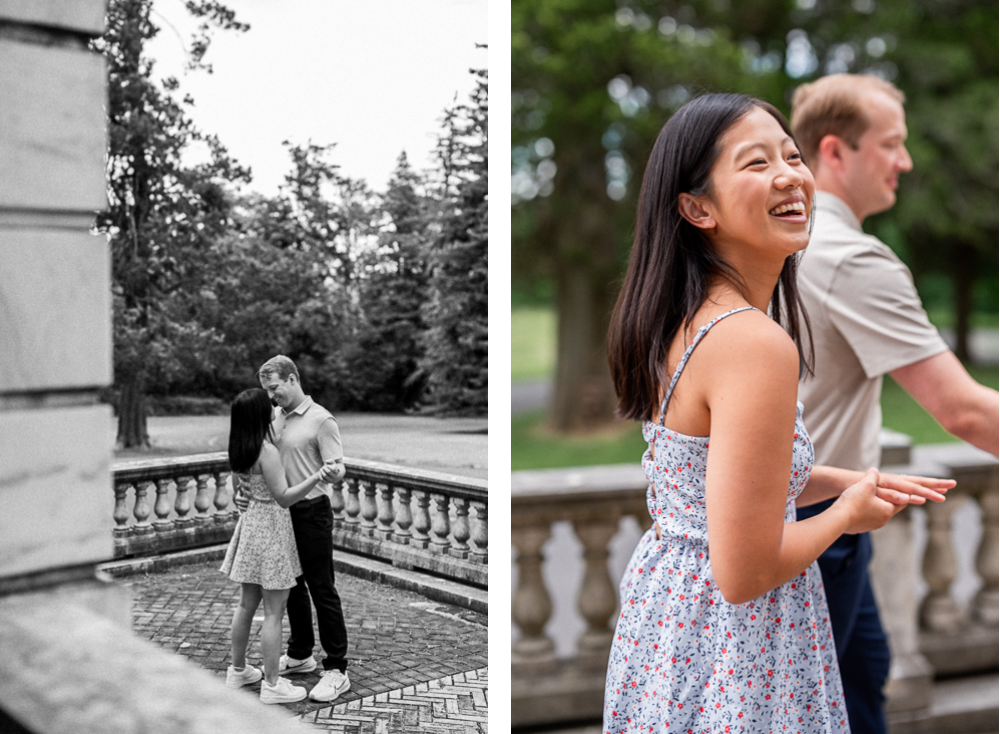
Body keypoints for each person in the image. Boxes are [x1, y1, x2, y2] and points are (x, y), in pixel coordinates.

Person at [602, 93, 953, 733]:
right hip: (739, 642)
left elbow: (717, 479)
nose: (790, 175)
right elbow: (745, 571)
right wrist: (847, 515)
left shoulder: (683, 318)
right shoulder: (753, 343)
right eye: (757, 162)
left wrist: (847, 480)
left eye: (791, 155)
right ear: (696, 207)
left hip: (671, 619)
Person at [789, 73, 1000, 734]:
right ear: (835, 151)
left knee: (860, 677)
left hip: (813, 511)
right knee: (838, 709)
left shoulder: (788, 242)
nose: (904, 162)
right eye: (891, 144)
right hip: (820, 522)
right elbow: (963, 410)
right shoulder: (852, 259)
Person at [221, 388, 339, 704]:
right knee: (274, 613)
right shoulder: (266, 452)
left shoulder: (239, 449)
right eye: (270, 408)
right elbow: (284, 497)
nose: (275, 411)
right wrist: (318, 476)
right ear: (261, 415)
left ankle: (238, 670)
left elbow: (240, 490)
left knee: (246, 605)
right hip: (272, 530)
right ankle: (272, 685)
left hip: (249, 528)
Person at [256, 355, 351, 703]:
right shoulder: (275, 417)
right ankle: (300, 654)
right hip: (282, 512)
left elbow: (338, 467)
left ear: (293, 379)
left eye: (275, 387)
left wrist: (333, 472)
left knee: (321, 588)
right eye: (267, 390)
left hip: (312, 512)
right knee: (291, 586)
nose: (271, 396)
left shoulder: (321, 420)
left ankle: (337, 669)